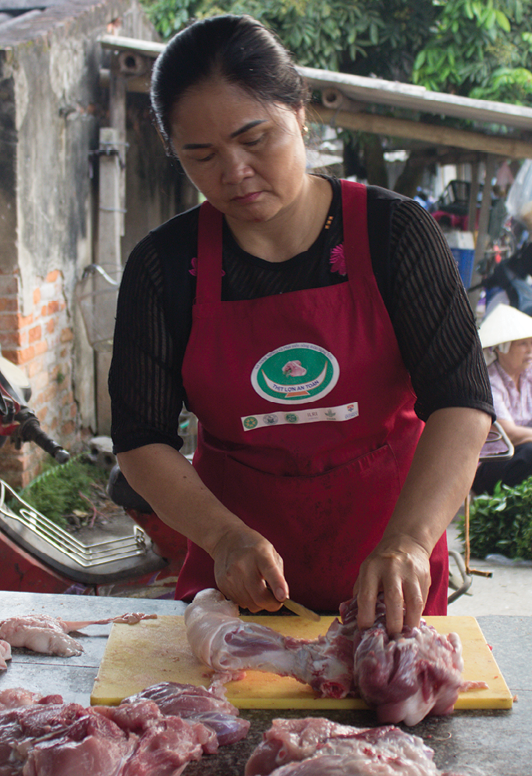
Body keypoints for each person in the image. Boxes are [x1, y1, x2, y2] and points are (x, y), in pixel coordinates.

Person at [109, 14, 493, 634]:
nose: (233, 171)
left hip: (389, 567)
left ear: (300, 111)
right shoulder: (164, 266)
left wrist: (411, 542)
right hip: (237, 581)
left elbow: (462, 402)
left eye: (255, 139)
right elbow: (140, 438)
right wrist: (223, 537)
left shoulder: (394, 234)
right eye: (201, 155)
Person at [474, 303, 532, 494]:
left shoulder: (528, 375)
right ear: (502, 348)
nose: (530, 350)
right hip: (493, 464)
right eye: (523, 344)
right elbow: (510, 434)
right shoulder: (490, 382)